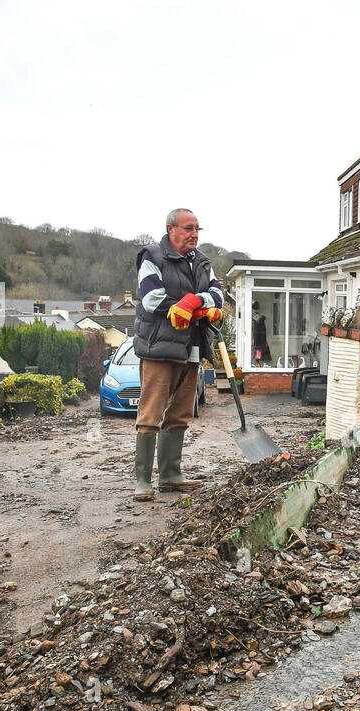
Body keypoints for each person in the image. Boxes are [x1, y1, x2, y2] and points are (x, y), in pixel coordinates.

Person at [131, 208, 222, 501]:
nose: (194, 234)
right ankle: (143, 481)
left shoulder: (202, 261)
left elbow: (218, 293)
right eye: (188, 228)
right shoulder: (153, 257)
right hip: (159, 348)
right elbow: (151, 298)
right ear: (171, 229)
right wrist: (184, 306)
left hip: (191, 347)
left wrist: (194, 301)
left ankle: (170, 475)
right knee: (150, 414)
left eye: (197, 229)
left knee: (181, 413)